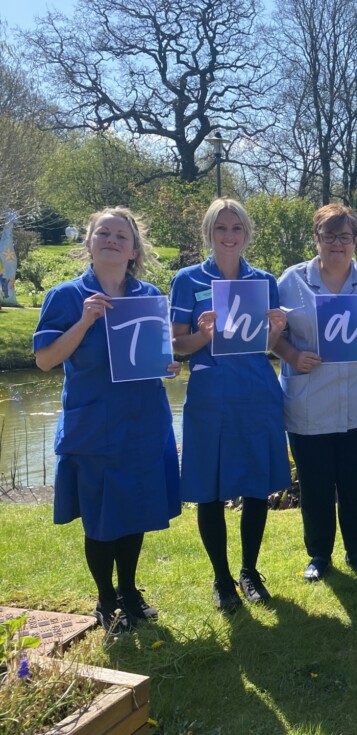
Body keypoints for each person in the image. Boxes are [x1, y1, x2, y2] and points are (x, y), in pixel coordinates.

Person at [33, 207, 180, 632]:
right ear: (90, 243)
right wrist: (84, 321)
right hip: (94, 428)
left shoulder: (148, 295)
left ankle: (130, 591)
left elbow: (150, 357)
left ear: (134, 249)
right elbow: (45, 361)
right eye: (104, 234)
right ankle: (105, 599)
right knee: (101, 519)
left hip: (143, 424)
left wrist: (165, 365)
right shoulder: (65, 297)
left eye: (122, 236)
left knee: (133, 512)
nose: (113, 240)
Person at [169, 198, 290, 612]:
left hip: (256, 392)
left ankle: (250, 572)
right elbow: (176, 345)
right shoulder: (187, 280)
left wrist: (275, 331)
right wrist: (203, 336)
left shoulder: (264, 281)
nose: (229, 235)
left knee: (257, 485)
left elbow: (266, 347)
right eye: (221, 228)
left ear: (246, 233)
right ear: (209, 232)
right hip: (210, 396)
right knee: (210, 489)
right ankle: (221, 579)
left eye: (236, 228)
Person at [274, 204, 357, 578]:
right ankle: (318, 556)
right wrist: (292, 354)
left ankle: (356, 553)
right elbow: (275, 337)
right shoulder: (291, 281)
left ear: (354, 241)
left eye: (344, 236)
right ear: (316, 239)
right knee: (315, 486)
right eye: (328, 236)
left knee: (353, 484)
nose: (336, 243)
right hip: (310, 402)